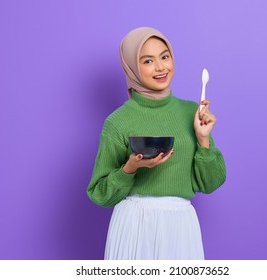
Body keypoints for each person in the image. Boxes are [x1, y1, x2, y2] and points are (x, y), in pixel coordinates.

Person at [87, 27, 226, 260]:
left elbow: (210, 183)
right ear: (132, 67)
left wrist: (203, 140)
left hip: (181, 226)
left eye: (165, 56)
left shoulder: (193, 113)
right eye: (148, 61)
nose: (161, 67)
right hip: (133, 226)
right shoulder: (118, 121)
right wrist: (130, 168)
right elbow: (99, 193)